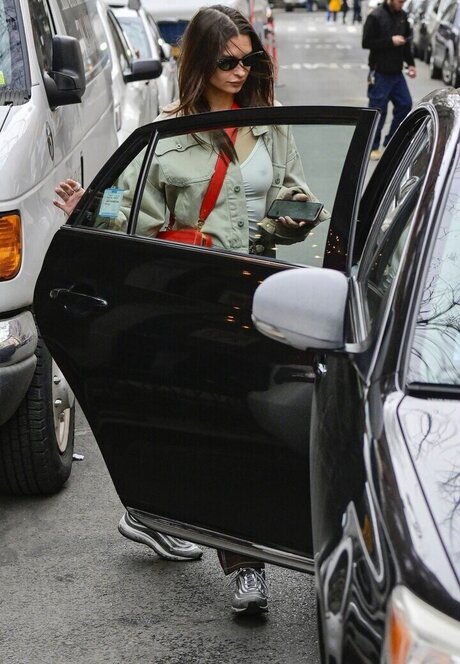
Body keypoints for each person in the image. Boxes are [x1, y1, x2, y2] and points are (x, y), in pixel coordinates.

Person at [54, 4, 327, 615]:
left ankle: (162, 512)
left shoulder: (269, 122)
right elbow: (127, 209)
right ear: (200, 61)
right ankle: (245, 566)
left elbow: (297, 193)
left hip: (263, 288)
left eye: (248, 60)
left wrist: (293, 216)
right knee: (226, 428)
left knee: (272, 420)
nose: (240, 71)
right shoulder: (168, 132)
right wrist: (87, 210)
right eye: (227, 60)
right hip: (195, 294)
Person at [362, 0, 416, 160]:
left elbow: (406, 44)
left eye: (403, 1)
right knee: (378, 111)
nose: (401, 4)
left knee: (405, 104)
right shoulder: (375, 16)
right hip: (380, 72)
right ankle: (372, 147)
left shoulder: (402, 16)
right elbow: (366, 42)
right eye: (399, 1)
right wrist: (390, 41)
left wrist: (411, 64)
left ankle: (392, 142)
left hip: (397, 73)